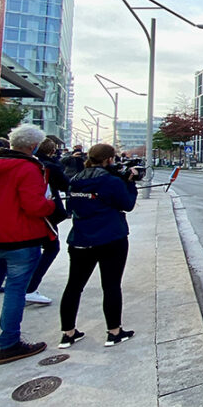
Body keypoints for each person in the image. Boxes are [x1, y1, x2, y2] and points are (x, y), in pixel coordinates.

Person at [59, 143, 139, 349]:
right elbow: (127, 204)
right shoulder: (111, 181)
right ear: (109, 159)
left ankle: (68, 333)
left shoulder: (74, 180)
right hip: (111, 238)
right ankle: (114, 332)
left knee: (74, 286)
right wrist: (130, 183)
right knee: (111, 285)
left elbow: (71, 207)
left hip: (80, 240)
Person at [0, 123, 54, 364]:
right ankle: (9, 343)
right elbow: (34, 206)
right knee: (15, 291)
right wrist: (50, 205)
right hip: (20, 237)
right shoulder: (28, 168)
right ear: (33, 146)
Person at [23, 137, 70, 305]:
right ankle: (30, 287)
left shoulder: (19, 163)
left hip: (22, 213)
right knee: (50, 247)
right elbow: (66, 185)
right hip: (43, 213)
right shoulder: (46, 167)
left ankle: (25, 285)